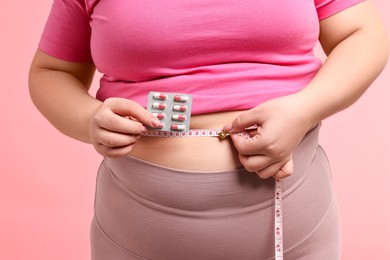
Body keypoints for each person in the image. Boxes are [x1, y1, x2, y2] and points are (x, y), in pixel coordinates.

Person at [29, 0, 388, 259]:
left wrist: (303, 111)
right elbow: (51, 72)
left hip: (295, 223)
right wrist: (88, 118)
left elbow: (364, 34)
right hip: (134, 231)